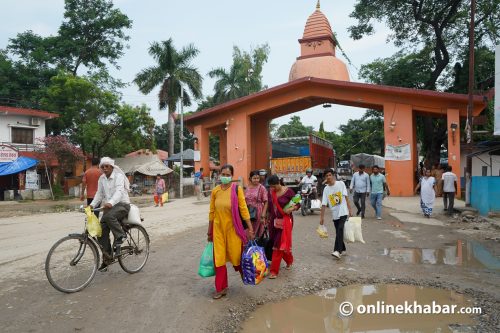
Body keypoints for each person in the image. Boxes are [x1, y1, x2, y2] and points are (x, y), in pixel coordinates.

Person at [207, 164, 254, 299]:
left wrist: (250, 228)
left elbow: (244, 209)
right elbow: (211, 212)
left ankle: (247, 274)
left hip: (233, 229)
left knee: (236, 256)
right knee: (219, 259)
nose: (225, 177)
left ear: (232, 176)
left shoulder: (236, 190)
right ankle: (221, 288)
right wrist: (209, 231)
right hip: (218, 230)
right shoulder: (215, 191)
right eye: (223, 174)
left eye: (228, 175)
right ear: (219, 175)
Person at [89, 157, 131, 271]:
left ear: (112, 167)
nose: (104, 168)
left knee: (108, 216)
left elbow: (119, 192)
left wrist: (111, 203)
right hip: (110, 206)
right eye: (102, 167)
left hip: (122, 204)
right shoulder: (101, 178)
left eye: (107, 166)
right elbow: (99, 194)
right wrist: (92, 205)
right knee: (100, 231)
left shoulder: (119, 177)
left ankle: (121, 235)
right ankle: (107, 258)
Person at [267, 174, 300, 279]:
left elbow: (298, 203)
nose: (272, 189)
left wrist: (292, 208)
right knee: (278, 243)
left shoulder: (288, 191)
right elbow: (269, 206)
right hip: (273, 221)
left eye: (274, 186)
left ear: (278, 183)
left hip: (286, 221)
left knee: (277, 245)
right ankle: (289, 260)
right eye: (270, 187)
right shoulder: (271, 193)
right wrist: (265, 217)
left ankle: (274, 271)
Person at [320, 168, 352, 259]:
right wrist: (321, 218)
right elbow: (323, 204)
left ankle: (337, 251)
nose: (328, 177)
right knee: (338, 231)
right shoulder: (326, 189)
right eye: (326, 176)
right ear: (325, 178)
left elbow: (346, 197)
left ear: (333, 175)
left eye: (330, 175)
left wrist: (349, 210)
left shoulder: (341, 184)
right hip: (335, 213)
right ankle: (343, 249)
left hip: (343, 211)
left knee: (340, 229)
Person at [244, 170, 268, 238]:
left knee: (256, 234)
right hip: (248, 212)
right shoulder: (247, 188)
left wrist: (263, 215)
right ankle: (249, 247)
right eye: (254, 178)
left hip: (258, 212)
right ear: (250, 178)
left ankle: (256, 248)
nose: (256, 180)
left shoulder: (261, 188)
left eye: (258, 178)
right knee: (248, 232)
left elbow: (266, 201)